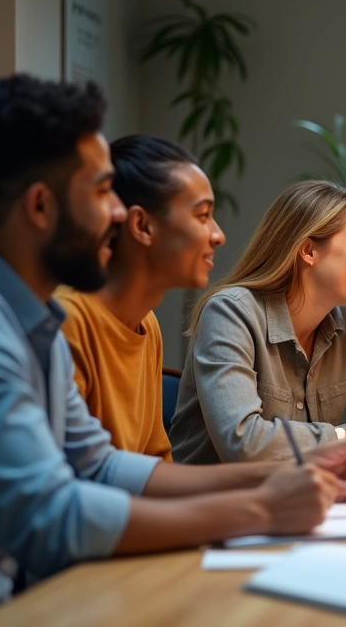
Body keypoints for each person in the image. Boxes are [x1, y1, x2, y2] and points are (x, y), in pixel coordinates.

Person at [0, 74, 346, 624]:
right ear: (40, 207)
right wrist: (259, 509)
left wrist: (296, 468)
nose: (119, 213)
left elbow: (101, 466)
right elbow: (49, 518)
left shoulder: (29, 317)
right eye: (101, 192)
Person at [169, 180, 346, 462]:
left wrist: (344, 439)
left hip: (304, 487)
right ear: (309, 251)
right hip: (217, 490)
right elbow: (243, 442)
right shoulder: (229, 314)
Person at [55, 135, 225, 460]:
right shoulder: (68, 323)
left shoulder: (147, 323)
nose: (218, 235)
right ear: (142, 225)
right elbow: (74, 476)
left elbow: (154, 458)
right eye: (203, 216)